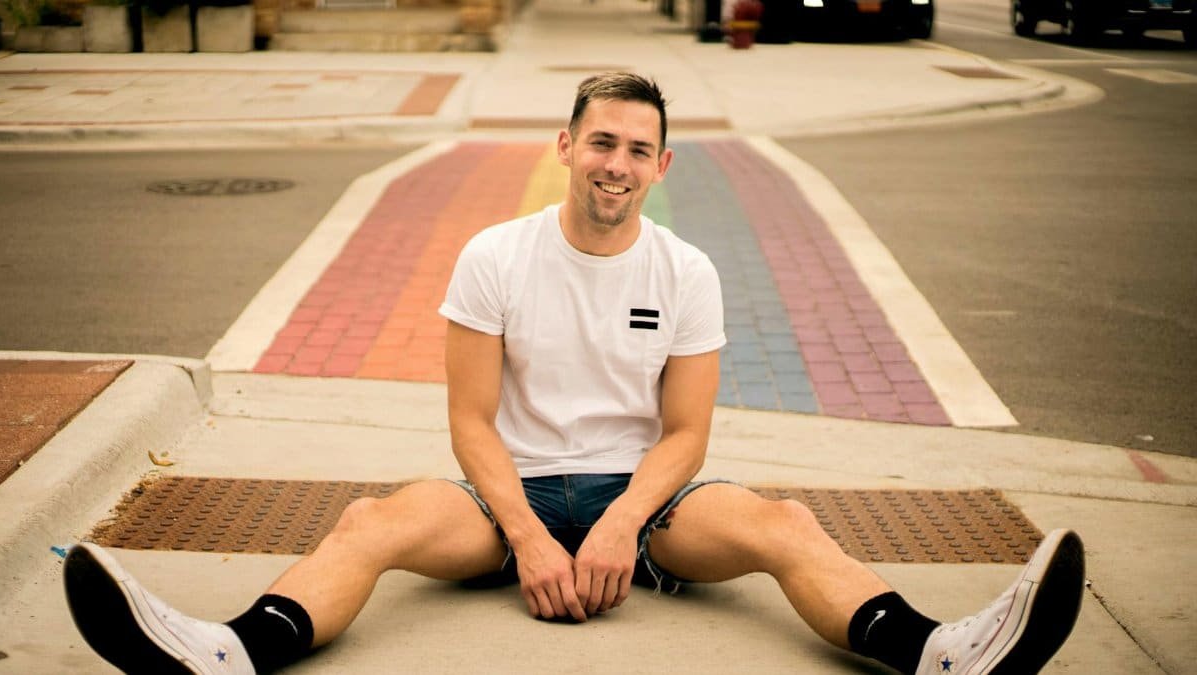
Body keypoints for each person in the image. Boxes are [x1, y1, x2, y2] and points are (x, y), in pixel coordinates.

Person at [63, 72, 1085, 675]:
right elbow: (471, 421)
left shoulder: (686, 271)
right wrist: (525, 532)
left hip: (648, 511)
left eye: (640, 149)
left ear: (662, 168)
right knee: (372, 522)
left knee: (786, 526)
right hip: (501, 500)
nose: (618, 162)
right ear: (565, 146)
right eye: (602, 140)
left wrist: (616, 525)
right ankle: (225, 653)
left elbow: (685, 435)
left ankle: (944, 654)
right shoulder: (495, 257)